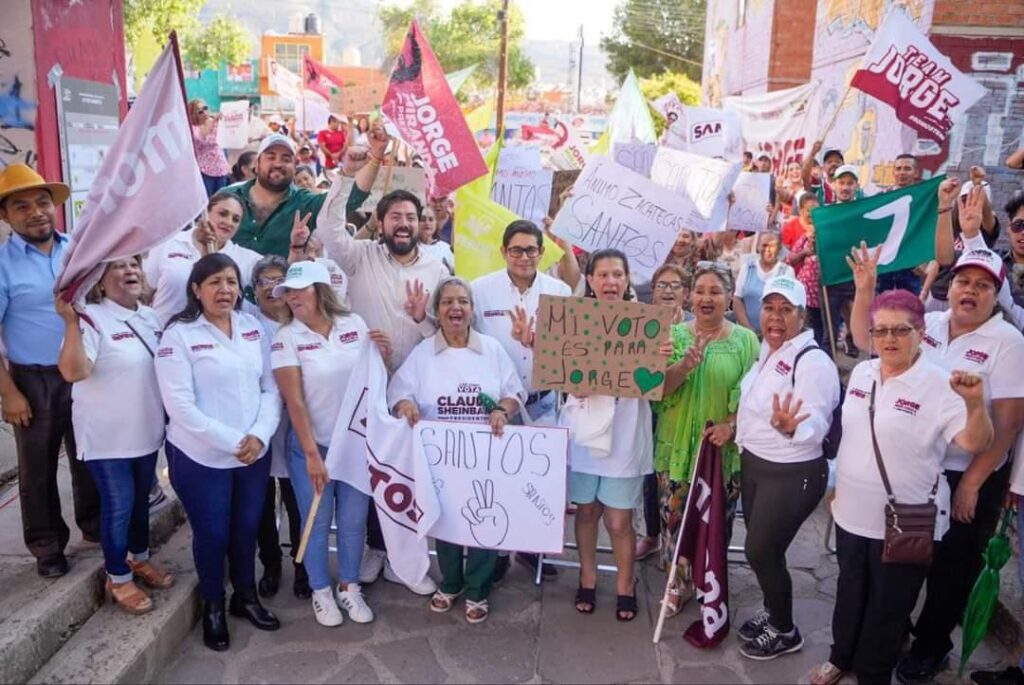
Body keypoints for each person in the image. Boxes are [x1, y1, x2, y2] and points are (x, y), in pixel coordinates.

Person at [847, 241, 1024, 684]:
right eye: (963, 280)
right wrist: (865, 290)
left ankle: (930, 648)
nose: (970, 290)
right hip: (922, 468)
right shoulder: (932, 323)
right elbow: (868, 342)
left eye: (983, 285)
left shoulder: (1008, 342)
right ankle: (898, 632)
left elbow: (1006, 425)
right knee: (908, 562)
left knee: (950, 569)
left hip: (969, 471)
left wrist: (971, 484)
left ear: (996, 293)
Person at [808, 289, 993, 685]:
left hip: (905, 519)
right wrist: (838, 483)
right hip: (852, 513)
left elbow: (976, 443)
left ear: (921, 331)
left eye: (900, 330)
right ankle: (841, 657)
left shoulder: (941, 383)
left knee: (888, 606)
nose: (889, 339)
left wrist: (976, 405)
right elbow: (853, 434)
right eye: (881, 331)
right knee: (849, 590)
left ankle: (873, 674)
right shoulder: (862, 372)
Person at [317, 178, 447, 594]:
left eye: (411, 217)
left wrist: (419, 317)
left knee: (410, 472)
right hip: (366, 388)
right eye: (395, 217)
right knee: (370, 469)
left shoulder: (437, 268)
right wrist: (347, 178)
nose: (404, 224)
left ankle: (406, 557)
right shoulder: (359, 257)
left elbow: (444, 332)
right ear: (381, 222)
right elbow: (329, 229)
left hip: (416, 393)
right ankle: (374, 548)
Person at [155, 254, 282, 652]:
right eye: (213, 282)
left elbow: (270, 387)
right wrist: (234, 441)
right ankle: (213, 604)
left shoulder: (251, 327)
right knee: (212, 534)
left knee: (246, 530)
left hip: (252, 456)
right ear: (196, 289)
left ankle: (245, 597)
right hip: (201, 458)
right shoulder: (178, 336)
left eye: (230, 281)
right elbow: (180, 406)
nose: (224, 290)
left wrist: (260, 435)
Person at [388, 277, 526, 624]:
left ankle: (478, 588)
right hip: (441, 459)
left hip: (484, 456)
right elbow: (398, 392)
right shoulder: (424, 354)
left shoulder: (492, 350)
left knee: (484, 517)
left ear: (472, 309)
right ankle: (450, 582)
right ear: (437, 310)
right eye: (448, 302)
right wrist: (406, 405)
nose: (456, 308)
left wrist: (501, 410)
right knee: (445, 520)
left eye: (463, 301)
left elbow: (513, 392)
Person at [543, 249, 668, 622]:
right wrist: (572, 383)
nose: (611, 281)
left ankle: (626, 584)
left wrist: (661, 357)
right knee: (586, 512)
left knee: (618, 521)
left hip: (625, 435)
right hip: (584, 433)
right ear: (591, 280)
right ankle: (588, 575)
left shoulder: (647, 326)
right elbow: (559, 370)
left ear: (628, 279)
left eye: (618, 274)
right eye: (603, 275)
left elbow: (654, 380)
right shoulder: (572, 321)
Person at [272, 260, 392, 627]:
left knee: (354, 521)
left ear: (321, 289)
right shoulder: (285, 338)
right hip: (314, 446)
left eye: (299, 289)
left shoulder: (353, 325)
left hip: (354, 445)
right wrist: (311, 455)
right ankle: (321, 591)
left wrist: (384, 356)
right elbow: (295, 402)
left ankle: (349, 586)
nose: (292, 297)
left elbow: (372, 382)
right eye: (288, 292)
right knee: (317, 522)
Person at [55, 256, 174, 614]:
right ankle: (118, 577)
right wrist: (71, 323)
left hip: (145, 429)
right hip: (108, 436)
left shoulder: (149, 317)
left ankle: (138, 558)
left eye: (134, 265)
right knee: (119, 505)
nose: (130, 271)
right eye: (118, 267)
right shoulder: (91, 318)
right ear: (100, 281)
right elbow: (74, 372)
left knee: (141, 502)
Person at [0, 163, 100, 577]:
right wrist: (9, 393)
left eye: (42, 202)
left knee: (90, 455)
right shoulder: (3, 264)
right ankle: (47, 546)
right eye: (21, 206)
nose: (35, 212)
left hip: (84, 372)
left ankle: (94, 527)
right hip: (33, 379)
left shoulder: (77, 249)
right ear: (6, 217)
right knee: (37, 467)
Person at [734, 276, 840, 659]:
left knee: (760, 550)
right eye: (769, 308)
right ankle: (773, 608)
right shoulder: (770, 350)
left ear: (803, 315)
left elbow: (817, 424)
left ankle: (785, 630)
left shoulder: (814, 363)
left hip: (793, 472)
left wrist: (794, 427)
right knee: (767, 550)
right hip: (758, 465)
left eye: (785, 310)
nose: (775, 317)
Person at [653, 261, 759, 616]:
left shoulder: (746, 341)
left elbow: (752, 397)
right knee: (675, 520)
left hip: (720, 453)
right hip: (677, 450)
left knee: (715, 519)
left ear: (729, 298)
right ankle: (676, 583)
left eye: (715, 291)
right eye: (699, 291)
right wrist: (684, 366)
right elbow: (656, 391)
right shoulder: (672, 335)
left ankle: (707, 579)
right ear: (689, 296)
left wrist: (731, 424)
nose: (706, 298)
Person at [474, 220, 572, 580]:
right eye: (516, 250)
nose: (524, 257)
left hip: (544, 401)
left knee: (538, 482)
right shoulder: (479, 290)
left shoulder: (560, 292)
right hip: (498, 406)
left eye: (532, 250)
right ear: (503, 252)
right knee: (498, 480)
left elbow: (569, 354)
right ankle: (497, 553)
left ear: (542, 253)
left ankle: (532, 549)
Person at [247, 256, 310, 600]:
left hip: (295, 425)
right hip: (256, 425)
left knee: (297, 501)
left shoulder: (303, 324)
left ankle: (302, 567)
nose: (272, 288)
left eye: (278, 281)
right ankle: (270, 564)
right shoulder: (245, 323)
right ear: (254, 290)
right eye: (264, 282)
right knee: (260, 504)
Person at [225, 132, 371, 257]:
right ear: (257, 163)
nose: (278, 164)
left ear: (295, 167)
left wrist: (369, 160)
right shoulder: (227, 197)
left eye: (286, 159)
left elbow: (350, 199)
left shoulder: (306, 203)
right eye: (271, 157)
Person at [634, 263, 694, 562]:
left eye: (675, 285)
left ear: (686, 294)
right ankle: (652, 535)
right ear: (652, 292)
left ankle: (683, 541)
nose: (668, 290)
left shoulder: (698, 325)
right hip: (649, 412)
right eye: (662, 285)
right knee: (650, 477)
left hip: (684, 413)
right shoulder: (640, 324)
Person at [144, 192, 263, 325]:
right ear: (205, 212)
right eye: (223, 214)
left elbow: (276, 279)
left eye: (235, 219)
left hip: (212, 340)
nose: (228, 222)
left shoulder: (246, 259)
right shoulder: (168, 243)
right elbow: (146, 291)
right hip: (162, 334)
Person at [785, 194, 827, 348]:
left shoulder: (828, 233)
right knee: (807, 329)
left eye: (815, 209)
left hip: (826, 294)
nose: (811, 213)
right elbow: (789, 260)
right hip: (806, 295)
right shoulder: (803, 238)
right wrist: (804, 252)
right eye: (808, 210)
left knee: (825, 331)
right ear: (802, 211)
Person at [733, 233, 794, 336]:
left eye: (772, 246)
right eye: (764, 245)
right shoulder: (747, 268)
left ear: (779, 248)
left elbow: (788, 306)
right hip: (745, 333)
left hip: (775, 334)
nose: (768, 249)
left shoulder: (786, 271)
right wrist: (749, 330)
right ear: (758, 247)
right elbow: (737, 299)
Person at [190, 99, 231, 196]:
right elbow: (201, 138)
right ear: (194, 115)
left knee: (221, 199)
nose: (205, 113)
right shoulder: (193, 128)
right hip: (206, 169)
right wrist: (211, 123)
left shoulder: (215, 122)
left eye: (205, 108)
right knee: (207, 199)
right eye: (200, 111)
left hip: (221, 167)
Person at [418, 206, 454, 273]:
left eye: (431, 219)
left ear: (436, 223)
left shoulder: (445, 248)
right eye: (423, 219)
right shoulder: (411, 249)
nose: (427, 223)